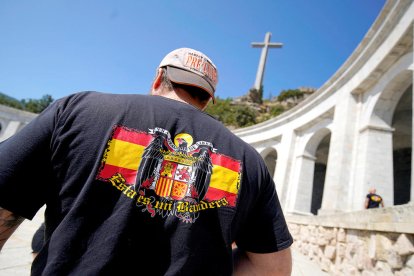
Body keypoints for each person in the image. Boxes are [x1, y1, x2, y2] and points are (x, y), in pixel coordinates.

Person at [0, 48, 293, 275]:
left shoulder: (78, 109)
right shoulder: (248, 161)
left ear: (158, 78)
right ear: (207, 100)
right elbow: (274, 269)